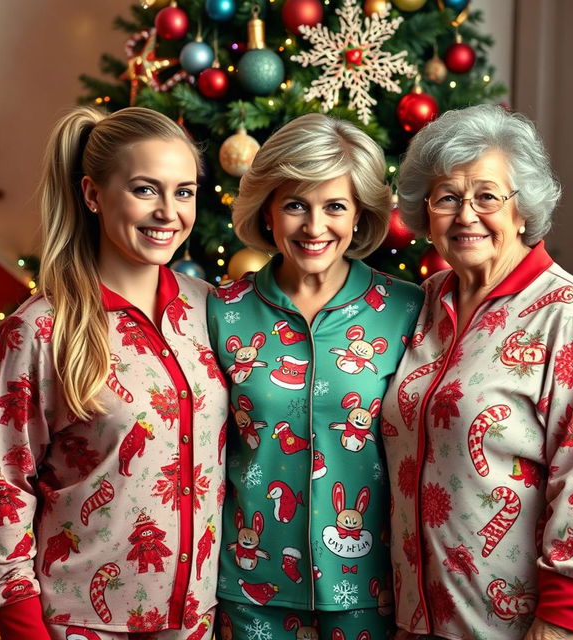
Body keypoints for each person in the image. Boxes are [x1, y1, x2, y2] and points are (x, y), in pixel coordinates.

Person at [0, 106, 228, 640]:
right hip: (80, 624)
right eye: (146, 190)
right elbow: (0, 492)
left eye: (184, 192)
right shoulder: (41, 330)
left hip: (198, 622)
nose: (169, 212)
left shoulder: (212, 311)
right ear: (93, 195)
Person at [382, 104, 573, 640]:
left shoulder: (569, 317)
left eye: (487, 196)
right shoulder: (422, 304)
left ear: (522, 210)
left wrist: (560, 619)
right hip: (414, 615)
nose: (466, 215)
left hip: (516, 624)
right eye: (447, 198)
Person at [207, 113, 424, 640]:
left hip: (372, 592)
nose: (313, 226)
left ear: (359, 216)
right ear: (269, 211)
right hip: (250, 589)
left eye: (335, 206)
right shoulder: (221, 312)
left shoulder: (407, 310)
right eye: (296, 205)